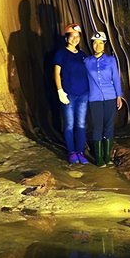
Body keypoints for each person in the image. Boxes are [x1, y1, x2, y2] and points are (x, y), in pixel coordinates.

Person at [84, 31, 123, 166]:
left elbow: (116, 78)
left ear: (104, 45)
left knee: (109, 126)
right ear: (92, 45)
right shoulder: (87, 62)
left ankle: (108, 157)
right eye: (95, 43)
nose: (97, 46)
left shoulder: (111, 60)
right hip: (94, 98)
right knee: (97, 127)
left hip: (110, 97)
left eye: (100, 43)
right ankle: (99, 159)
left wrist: (119, 95)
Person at [53, 23, 90, 164]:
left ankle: (80, 152)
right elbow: (56, 73)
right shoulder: (61, 53)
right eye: (72, 36)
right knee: (69, 124)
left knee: (81, 124)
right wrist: (60, 91)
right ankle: (72, 152)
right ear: (66, 37)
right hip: (68, 93)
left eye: (77, 36)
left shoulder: (82, 55)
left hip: (83, 94)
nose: (75, 39)